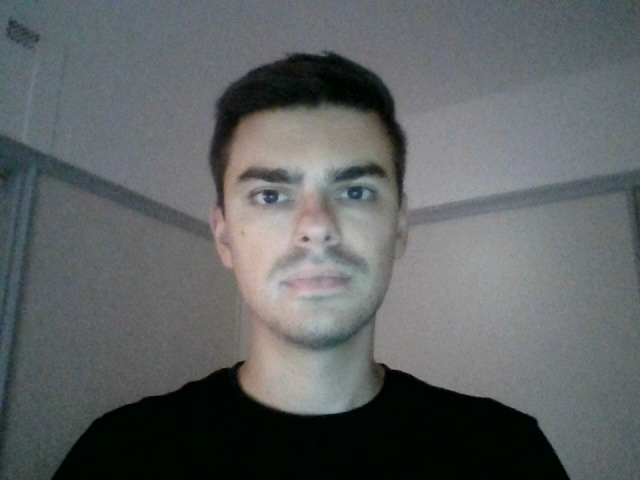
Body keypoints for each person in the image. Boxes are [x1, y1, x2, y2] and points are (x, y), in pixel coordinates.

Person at [53, 52, 569, 478]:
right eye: (271, 194)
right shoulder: (118, 456)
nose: (316, 226)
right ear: (224, 236)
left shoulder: (505, 454)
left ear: (399, 227)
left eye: (356, 191)